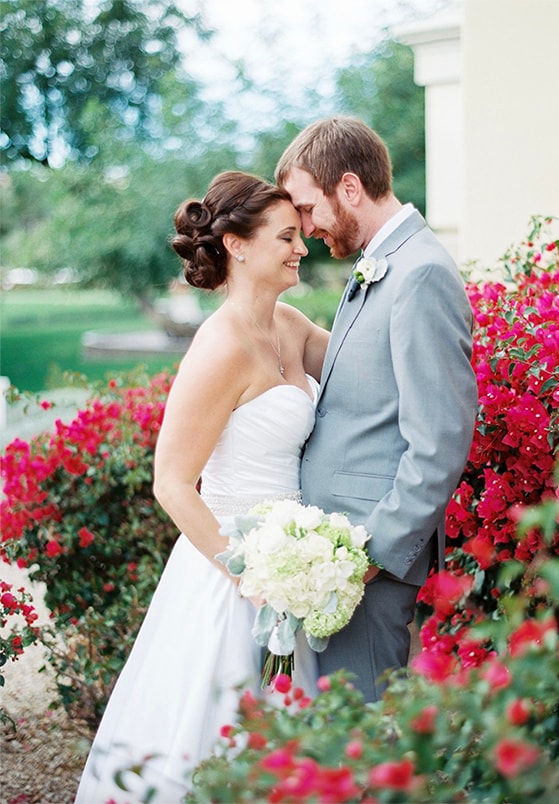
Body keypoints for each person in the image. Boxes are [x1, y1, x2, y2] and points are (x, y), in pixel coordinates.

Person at [75, 171, 329, 803]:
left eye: (301, 236)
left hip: (296, 562)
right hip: (233, 574)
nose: (302, 248)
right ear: (238, 246)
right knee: (218, 742)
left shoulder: (291, 324)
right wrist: (250, 572)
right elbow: (172, 482)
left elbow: (368, 368)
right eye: (288, 237)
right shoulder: (218, 348)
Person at [275, 117, 478, 702]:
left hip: (363, 562)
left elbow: (439, 442)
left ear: (348, 188)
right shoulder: (381, 261)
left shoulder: (421, 273)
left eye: (309, 209)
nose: (307, 229)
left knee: (358, 737)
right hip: (333, 554)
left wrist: (368, 556)